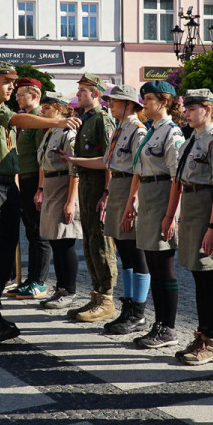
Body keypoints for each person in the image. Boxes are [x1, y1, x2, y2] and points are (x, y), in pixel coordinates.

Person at [0, 62, 80, 343]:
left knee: (7, 250)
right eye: (6, 82)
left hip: (7, 185)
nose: (11, 87)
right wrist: (57, 122)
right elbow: (17, 121)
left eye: (13, 82)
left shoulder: (2, 108)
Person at [65, 84, 149, 329]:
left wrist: (132, 201)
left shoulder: (137, 130)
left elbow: (139, 169)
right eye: (110, 101)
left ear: (129, 104)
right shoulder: (121, 129)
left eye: (115, 101)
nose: (109, 104)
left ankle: (139, 312)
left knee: (136, 253)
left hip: (128, 189)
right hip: (118, 188)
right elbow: (106, 161)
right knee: (125, 253)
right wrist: (74, 160)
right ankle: (129, 306)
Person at [164, 88, 213, 365]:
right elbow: (178, 181)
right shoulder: (191, 140)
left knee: (209, 275)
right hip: (190, 209)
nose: (186, 113)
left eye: (192, 109)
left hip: (205, 209)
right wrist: (171, 215)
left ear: (208, 110)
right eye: (186, 108)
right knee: (198, 275)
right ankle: (203, 334)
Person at [119, 80, 184, 346]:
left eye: (148, 99)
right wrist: (132, 202)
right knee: (154, 266)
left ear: (164, 102)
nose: (143, 103)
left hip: (162, 196)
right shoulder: (152, 131)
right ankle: (159, 323)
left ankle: (168, 327)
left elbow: (177, 177)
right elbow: (140, 169)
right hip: (148, 196)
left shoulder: (172, 132)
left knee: (163, 266)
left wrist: (170, 215)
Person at [68, 73, 119, 322]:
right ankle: (97, 294)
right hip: (87, 186)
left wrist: (107, 193)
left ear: (96, 93)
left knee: (101, 242)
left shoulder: (102, 120)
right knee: (89, 242)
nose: (78, 94)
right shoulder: (85, 119)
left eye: (83, 91)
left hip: (99, 187)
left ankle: (107, 299)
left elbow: (109, 161)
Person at [34, 91, 82, 309]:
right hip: (51, 185)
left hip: (63, 185)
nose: (42, 111)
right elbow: (43, 163)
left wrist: (71, 201)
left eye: (47, 108)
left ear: (60, 109)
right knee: (54, 240)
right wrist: (41, 189)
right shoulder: (50, 131)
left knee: (65, 241)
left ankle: (69, 291)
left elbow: (74, 168)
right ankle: (61, 287)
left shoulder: (67, 132)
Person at [9, 79, 53, 298]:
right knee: (30, 231)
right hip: (23, 180)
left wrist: (41, 188)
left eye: (21, 95)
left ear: (34, 96)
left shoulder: (38, 121)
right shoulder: (24, 121)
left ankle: (39, 281)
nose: (17, 98)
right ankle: (30, 278)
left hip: (35, 180)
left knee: (38, 233)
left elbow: (42, 158)